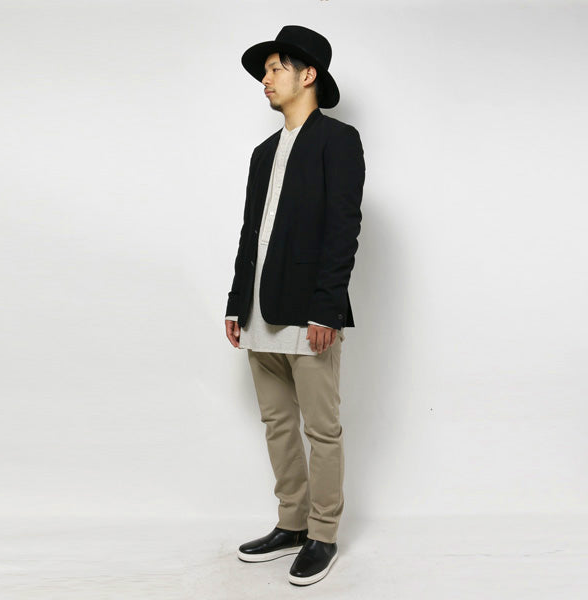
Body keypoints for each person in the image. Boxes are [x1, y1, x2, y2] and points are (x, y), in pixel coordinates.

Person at [224, 25, 365, 586]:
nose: (266, 79)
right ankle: (291, 523)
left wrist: (327, 309)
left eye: (275, 68)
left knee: (321, 428)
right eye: (265, 71)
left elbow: (343, 228)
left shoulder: (338, 140)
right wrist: (236, 302)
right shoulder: (263, 153)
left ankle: (323, 534)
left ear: (308, 75)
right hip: (259, 311)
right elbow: (250, 233)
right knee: (277, 422)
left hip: (309, 312)